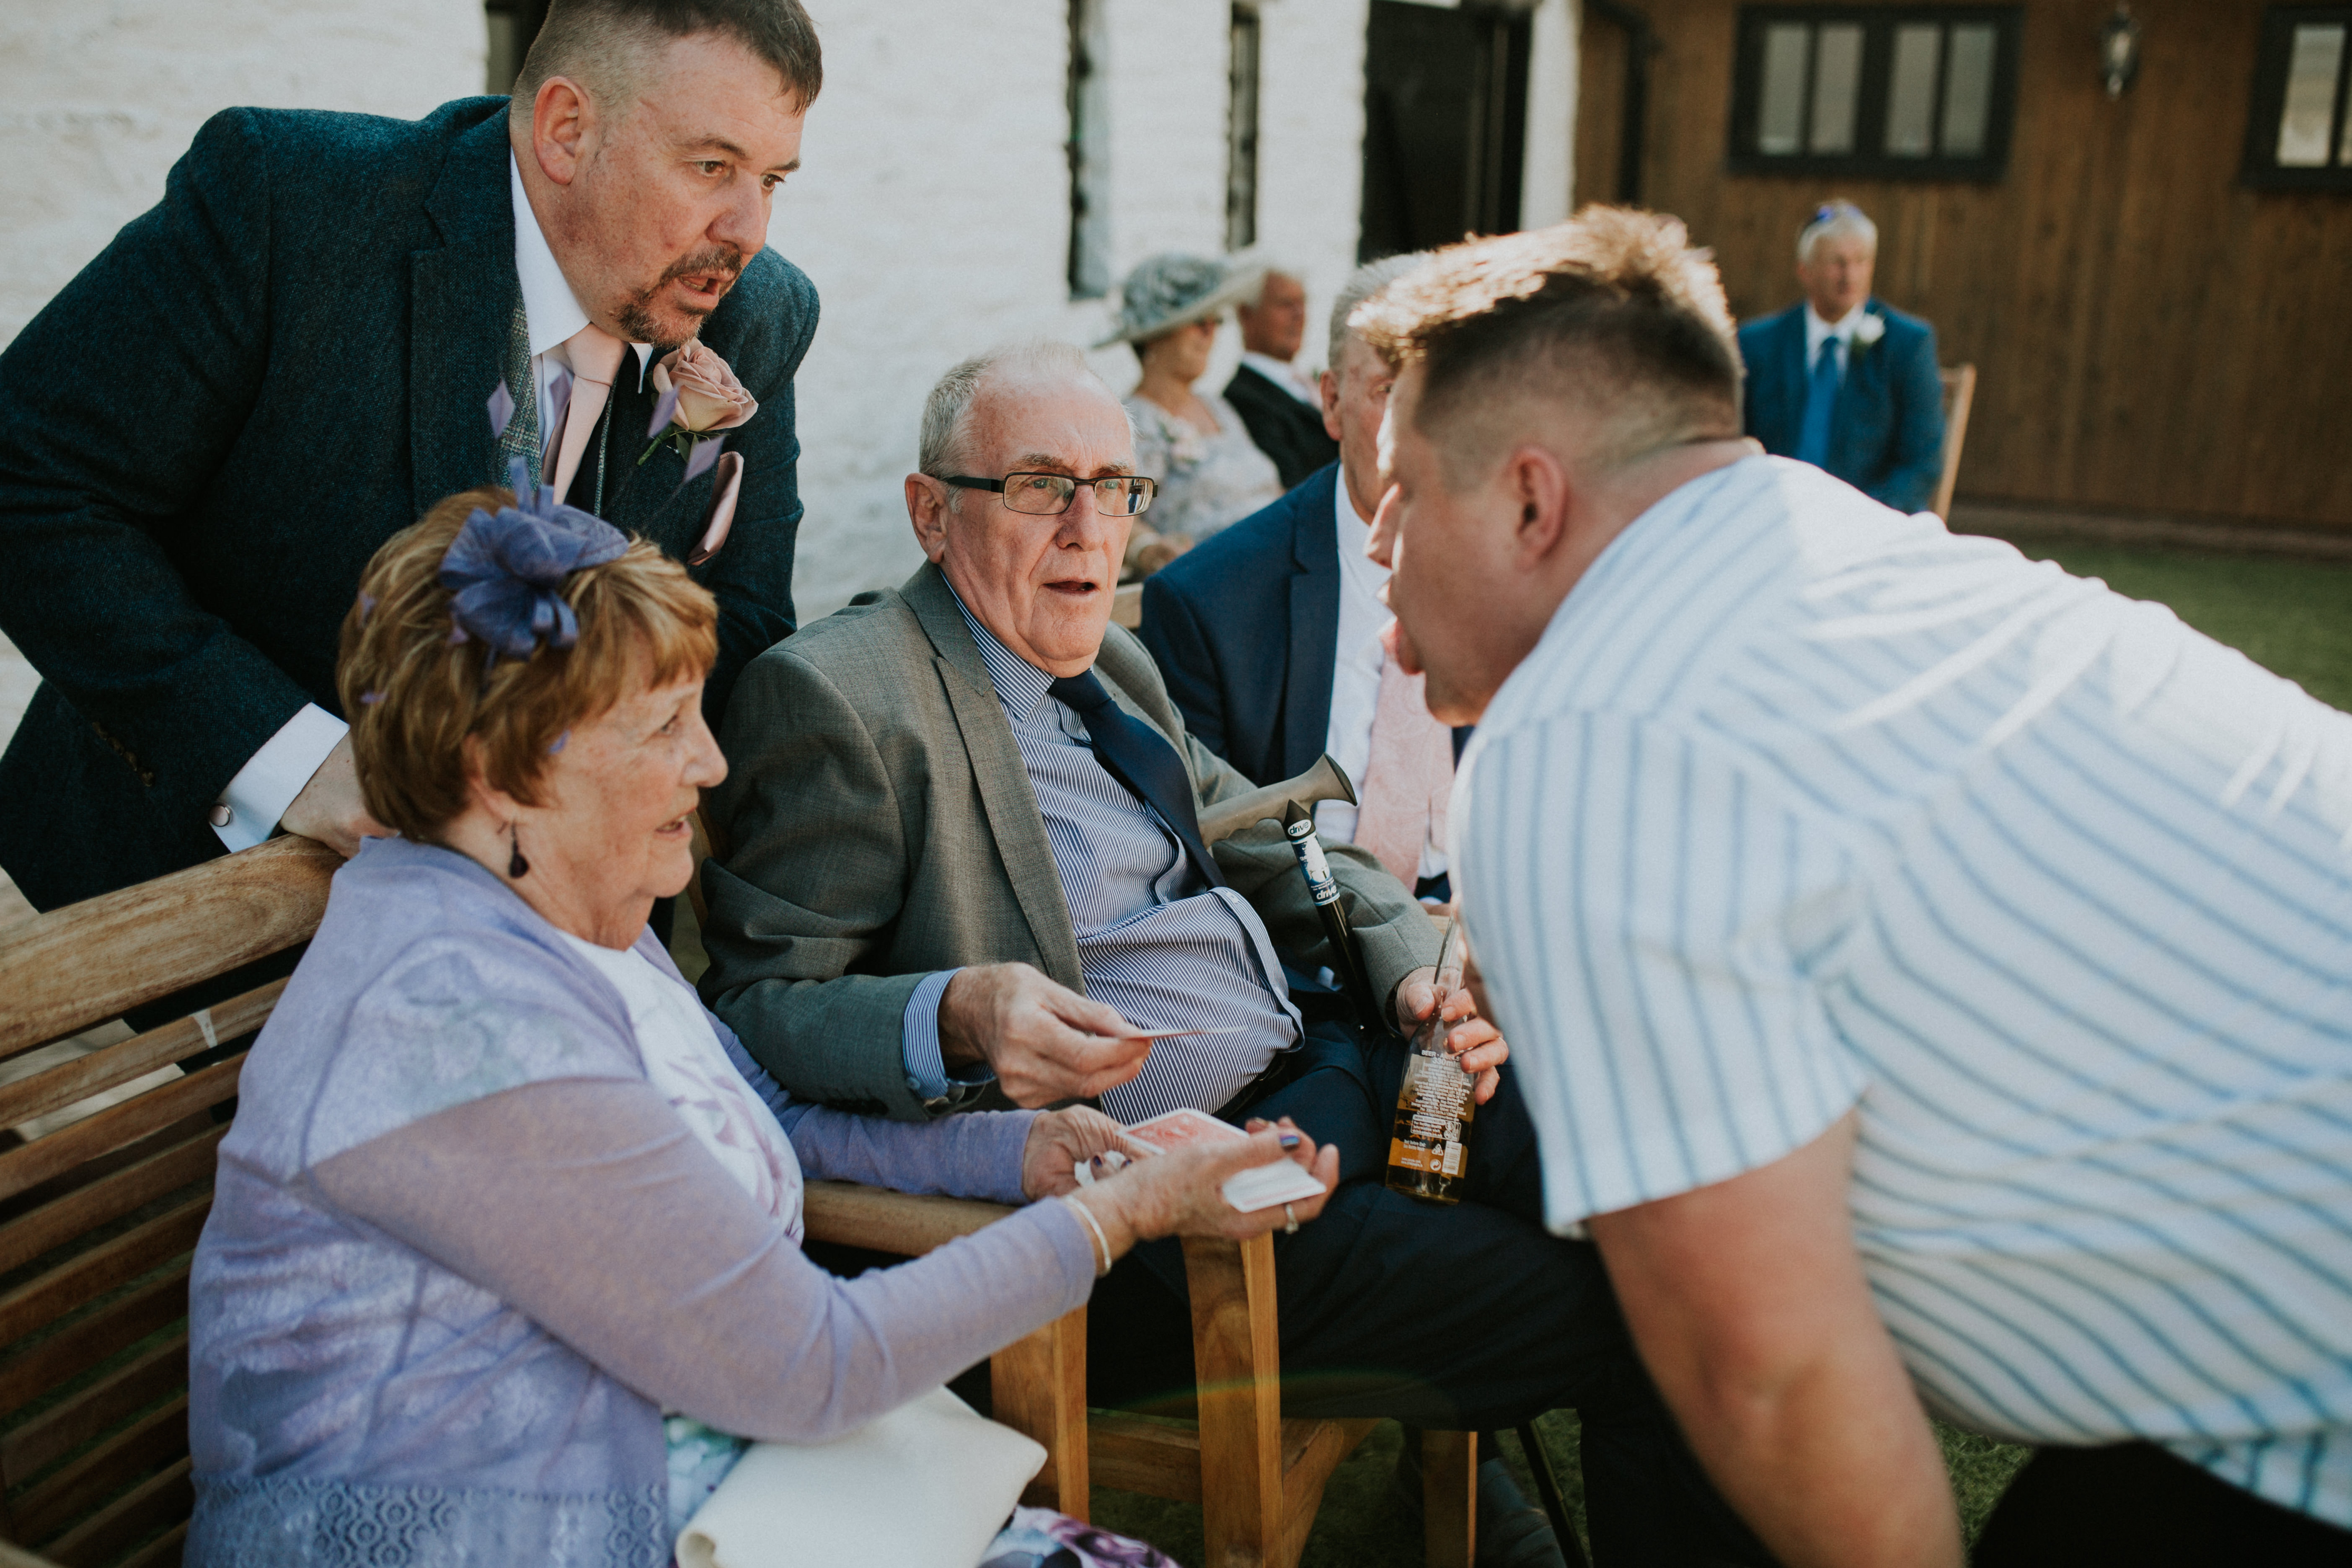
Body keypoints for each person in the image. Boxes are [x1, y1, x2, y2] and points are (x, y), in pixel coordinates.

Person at [1361, 208, 2352, 1567]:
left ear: (1530, 500)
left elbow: (1763, 1374)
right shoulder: (1839, 549)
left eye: (1404, 490)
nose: (1377, 544)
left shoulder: (1587, 726)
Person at [698, 340, 1776, 1565]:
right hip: (1175, 1215)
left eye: (1114, 486)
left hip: (1334, 1068)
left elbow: (1268, 833)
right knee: (1642, 1312)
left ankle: (1501, 1488)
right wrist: (952, 1007)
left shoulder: (1107, 658)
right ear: (930, 512)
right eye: (1042, 484)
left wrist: (1410, 967)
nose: (1088, 528)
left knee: (1666, 1187)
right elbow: (758, 1002)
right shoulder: (839, 696)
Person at [186, 477, 1333, 1567]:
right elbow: (808, 1364)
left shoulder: (556, 910)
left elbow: (761, 1116)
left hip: (694, 1480)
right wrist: (1119, 1214)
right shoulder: (456, 1017)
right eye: (664, 725)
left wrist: (1031, 1150)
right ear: (502, 772)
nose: (713, 759)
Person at [0, 0, 821, 924]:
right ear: (565, 130)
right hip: (147, 930)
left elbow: (739, 618)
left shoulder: (760, 314)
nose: (746, 230)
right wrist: (296, 760)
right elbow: (29, 482)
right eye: (711, 166)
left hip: (544, 947)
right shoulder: (293, 206)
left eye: (773, 179)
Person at [1143, 254, 1460, 904]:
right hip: (1320, 952)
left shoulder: (1531, 567)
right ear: (1332, 401)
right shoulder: (1212, 603)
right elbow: (1208, 861)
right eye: (1389, 392)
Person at [1737, 200, 1944, 513]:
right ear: (1804, 271)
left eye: (1861, 261)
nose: (1850, 275)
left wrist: (1860, 517)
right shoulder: (1759, 344)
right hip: (1773, 514)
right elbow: (1738, 441)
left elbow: (1922, 463)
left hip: (1866, 519)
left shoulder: (1907, 344)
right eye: (1837, 262)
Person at [1101, 253, 1283, 574]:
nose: (1210, 333)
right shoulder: (1135, 422)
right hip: (1215, 578)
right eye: (1199, 322)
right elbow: (1115, 509)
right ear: (1155, 336)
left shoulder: (1218, 408)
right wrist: (1148, 549)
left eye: (1216, 322)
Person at [1224, 267, 1339, 488]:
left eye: (1302, 303)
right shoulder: (1244, 398)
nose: (1299, 315)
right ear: (1246, 315)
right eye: (1286, 304)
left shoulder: (1306, 383)